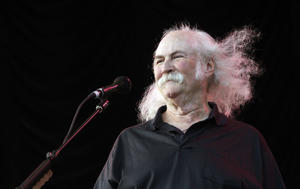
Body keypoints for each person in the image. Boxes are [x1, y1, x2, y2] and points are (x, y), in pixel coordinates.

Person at [93, 24, 286, 189]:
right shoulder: (129, 142)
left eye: (177, 57)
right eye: (159, 60)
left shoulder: (246, 141)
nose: (165, 67)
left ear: (208, 67)